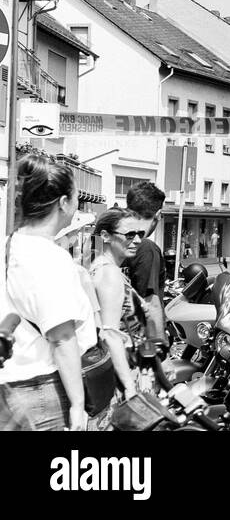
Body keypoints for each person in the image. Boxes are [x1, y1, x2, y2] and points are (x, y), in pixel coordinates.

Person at [0, 155, 98, 431]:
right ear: (64, 202)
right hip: (42, 389)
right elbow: (62, 337)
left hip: (10, 386)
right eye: (77, 197)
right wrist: (78, 404)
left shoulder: (9, 245)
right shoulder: (49, 258)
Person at [88, 209, 142, 419]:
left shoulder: (100, 267)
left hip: (119, 369)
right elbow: (110, 334)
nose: (137, 240)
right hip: (121, 374)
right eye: (129, 235)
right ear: (106, 236)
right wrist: (129, 386)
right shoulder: (109, 273)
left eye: (140, 234)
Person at [123, 182, 168, 345]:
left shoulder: (109, 238)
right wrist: (161, 355)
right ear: (159, 214)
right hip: (136, 342)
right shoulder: (146, 248)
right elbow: (151, 304)